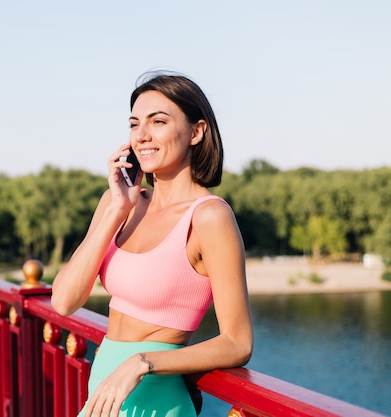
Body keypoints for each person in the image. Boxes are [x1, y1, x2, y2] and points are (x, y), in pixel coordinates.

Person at [51, 72, 253, 417]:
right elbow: (64, 301)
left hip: (155, 400)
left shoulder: (209, 218)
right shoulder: (119, 204)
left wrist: (141, 363)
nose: (142, 135)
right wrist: (118, 208)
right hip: (102, 395)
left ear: (196, 131)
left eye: (158, 121)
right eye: (134, 124)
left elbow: (237, 342)